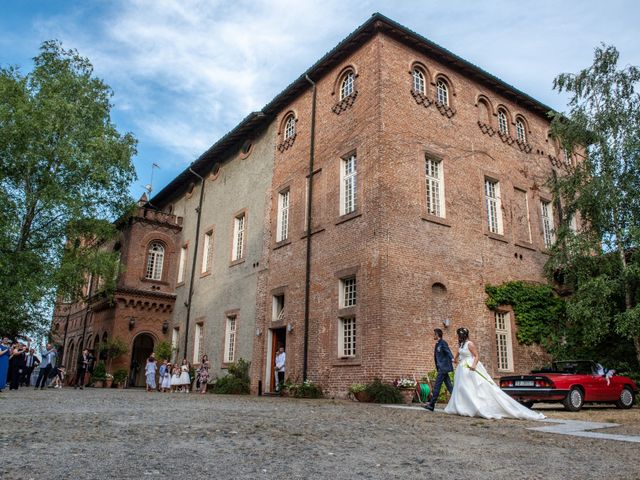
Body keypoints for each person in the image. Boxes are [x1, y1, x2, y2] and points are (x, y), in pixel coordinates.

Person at [444, 327, 544, 420]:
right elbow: (458, 354)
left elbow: (476, 356)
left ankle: (474, 407)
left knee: (470, 387)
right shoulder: (461, 345)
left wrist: (474, 365)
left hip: (470, 367)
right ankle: (462, 406)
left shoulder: (470, 344)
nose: (457, 337)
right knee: (461, 387)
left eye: (458, 335)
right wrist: (454, 359)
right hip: (462, 368)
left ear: (463, 335)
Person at [424, 328, 454, 411]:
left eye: (434, 334)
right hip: (441, 368)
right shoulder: (438, 344)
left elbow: (448, 351)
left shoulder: (443, 343)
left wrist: (452, 358)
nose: (433, 336)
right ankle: (458, 400)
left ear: (437, 335)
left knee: (437, 386)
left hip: (443, 368)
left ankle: (431, 405)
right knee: (449, 386)